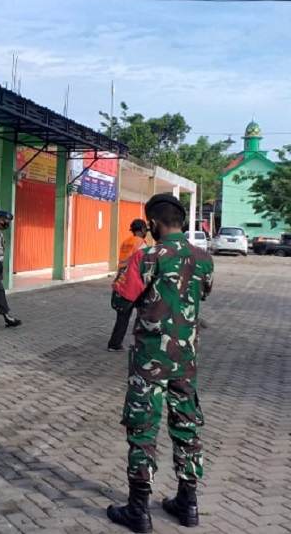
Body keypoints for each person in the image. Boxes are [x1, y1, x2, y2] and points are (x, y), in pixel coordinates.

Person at [107, 194, 213, 533]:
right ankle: (188, 503)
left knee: (143, 428)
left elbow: (120, 301)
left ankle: (138, 509)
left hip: (150, 361)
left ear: (152, 224)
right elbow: (202, 294)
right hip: (186, 360)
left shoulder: (146, 256)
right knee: (186, 427)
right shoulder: (204, 258)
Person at [107, 219, 149, 351]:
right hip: (134, 283)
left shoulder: (126, 242)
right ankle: (139, 343)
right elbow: (143, 265)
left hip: (122, 279)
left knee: (122, 315)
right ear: (142, 229)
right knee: (142, 314)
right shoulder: (141, 244)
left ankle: (114, 343)